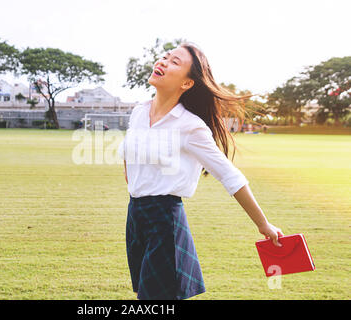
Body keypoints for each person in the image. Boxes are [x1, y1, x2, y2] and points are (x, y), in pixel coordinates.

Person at [117, 42, 283, 300]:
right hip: (135, 215)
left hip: (164, 220)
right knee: (146, 295)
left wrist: (263, 224)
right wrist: (136, 180)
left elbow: (230, 176)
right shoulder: (139, 112)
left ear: (187, 83)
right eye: (165, 57)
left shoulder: (190, 126)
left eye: (174, 62)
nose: (163, 62)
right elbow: (129, 153)